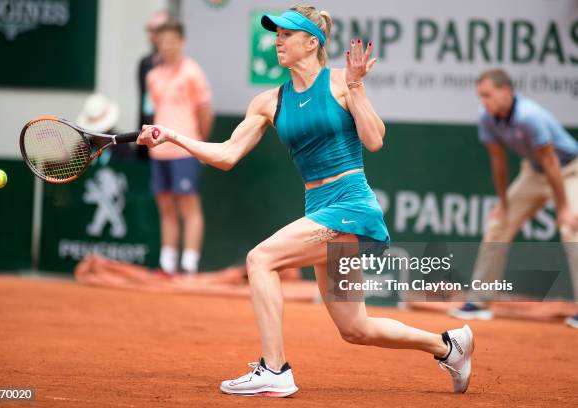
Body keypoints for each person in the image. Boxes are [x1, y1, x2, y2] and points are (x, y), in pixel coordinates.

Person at [138, 4, 474, 397]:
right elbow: (227, 155)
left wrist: (356, 86)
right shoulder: (268, 101)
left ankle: (274, 369)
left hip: (350, 205)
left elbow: (375, 139)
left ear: (310, 42)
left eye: (285, 35)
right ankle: (449, 347)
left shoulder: (339, 83)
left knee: (260, 260)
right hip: (318, 209)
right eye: (275, 35)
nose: (277, 41)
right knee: (355, 328)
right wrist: (174, 136)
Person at [449, 68, 578, 328]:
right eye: (480, 97)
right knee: (498, 225)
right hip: (533, 172)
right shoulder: (487, 117)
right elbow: (499, 161)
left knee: (571, 229)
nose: (483, 102)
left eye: (487, 95)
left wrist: (563, 208)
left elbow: (552, 162)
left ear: (506, 92)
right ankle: (479, 302)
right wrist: (504, 205)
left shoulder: (529, 116)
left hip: (568, 170)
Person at [146, 20, 213, 275]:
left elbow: (205, 112)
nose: (166, 46)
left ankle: (189, 264)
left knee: (189, 207)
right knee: (165, 207)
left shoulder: (192, 73)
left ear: (182, 42)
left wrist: (199, 145)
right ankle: (168, 262)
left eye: (171, 41)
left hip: (185, 150)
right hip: (158, 151)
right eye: (162, 41)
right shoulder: (153, 76)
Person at [136, 9, 172, 160]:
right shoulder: (144, 63)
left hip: (170, 142)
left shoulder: (178, 66)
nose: (151, 36)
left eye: (155, 31)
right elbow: (144, 102)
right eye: (149, 30)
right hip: (146, 139)